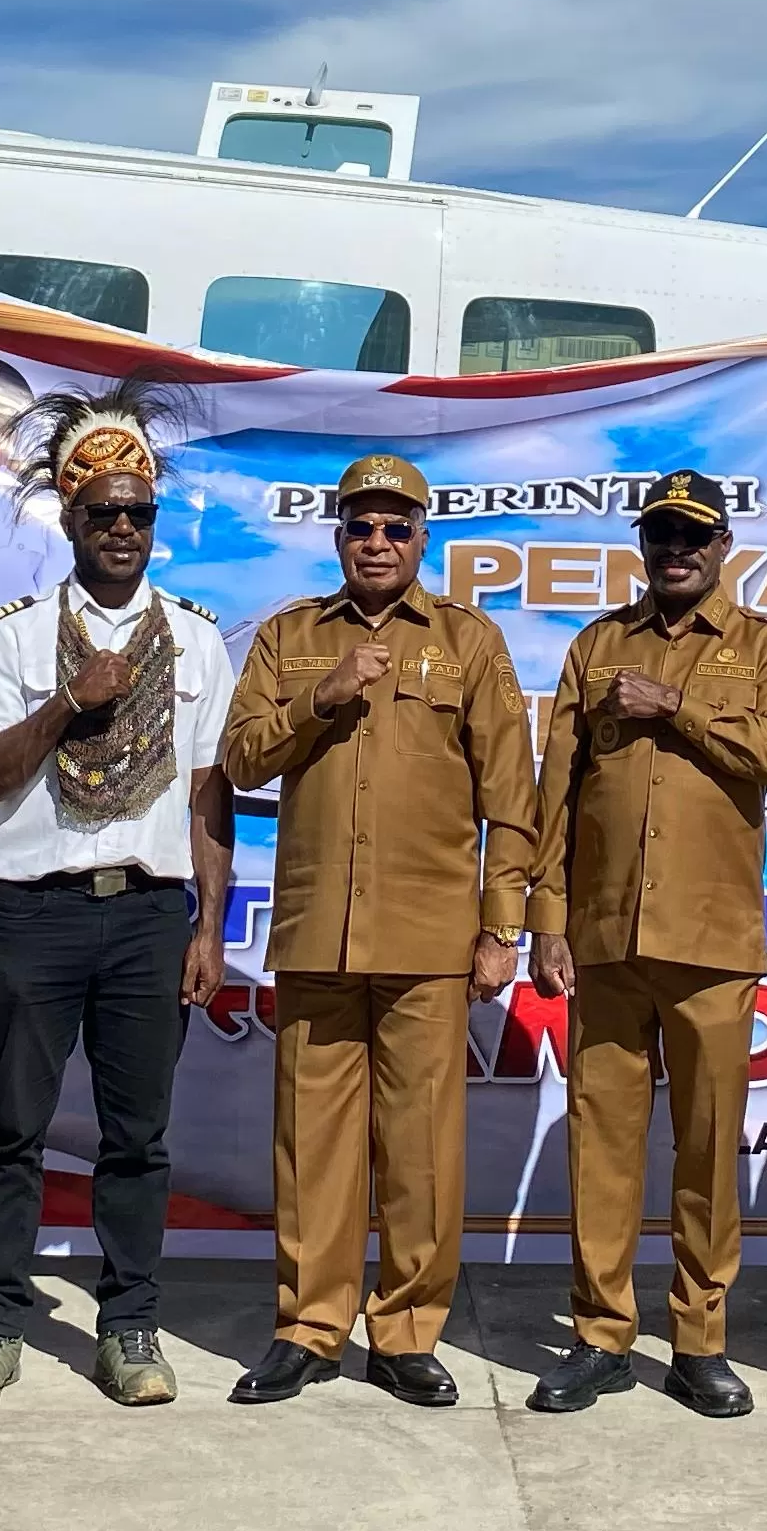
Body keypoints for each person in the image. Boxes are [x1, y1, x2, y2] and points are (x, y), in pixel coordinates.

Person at [0, 384, 235, 1414]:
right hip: (37, 909)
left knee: (137, 1137)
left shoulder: (199, 642)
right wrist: (72, 702)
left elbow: (208, 795)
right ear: (69, 519)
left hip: (150, 917)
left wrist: (209, 925)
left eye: (137, 512)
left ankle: (130, 1323)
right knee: (12, 1130)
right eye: (100, 512)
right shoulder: (16, 638)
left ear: (156, 522)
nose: (120, 529)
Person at [218, 454, 536, 1408]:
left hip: (433, 934)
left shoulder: (467, 642)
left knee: (421, 1145)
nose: (379, 543)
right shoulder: (289, 637)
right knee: (312, 1141)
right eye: (362, 526)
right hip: (319, 928)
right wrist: (321, 697)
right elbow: (237, 758)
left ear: (422, 538)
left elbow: (510, 797)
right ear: (339, 535)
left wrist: (502, 926)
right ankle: (310, 1326)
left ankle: (405, 1330)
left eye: (398, 527)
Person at [526, 470, 767, 1421]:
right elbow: (556, 792)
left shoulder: (765, 647)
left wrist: (675, 708)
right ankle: (601, 1335)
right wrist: (547, 919)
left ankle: (700, 1340)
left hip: (711, 942)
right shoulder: (596, 645)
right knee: (600, 1149)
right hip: (606, 938)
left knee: (704, 1152)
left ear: (723, 544)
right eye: (661, 536)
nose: (676, 551)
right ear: (642, 546)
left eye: (693, 535)